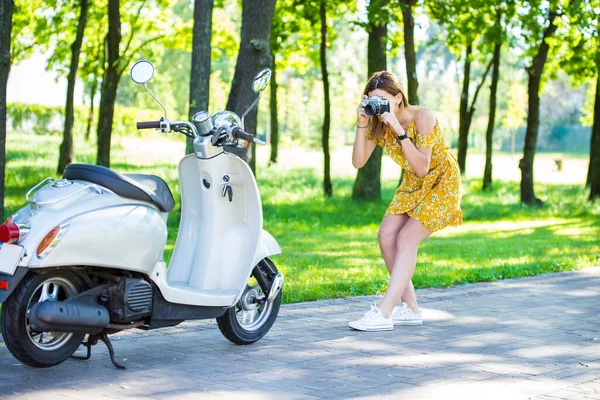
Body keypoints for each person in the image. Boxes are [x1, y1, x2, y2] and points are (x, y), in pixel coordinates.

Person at [349, 71, 463, 332]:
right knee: (386, 235)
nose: (377, 106)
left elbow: (423, 167)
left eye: (382, 100)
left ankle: (384, 312)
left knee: (406, 239)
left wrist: (399, 130)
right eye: (371, 100)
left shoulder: (423, 117)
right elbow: (358, 162)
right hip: (413, 183)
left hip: (440, 181)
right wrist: (363, 122)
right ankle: (410, 309)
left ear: (398, 98)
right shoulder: (377, 125)